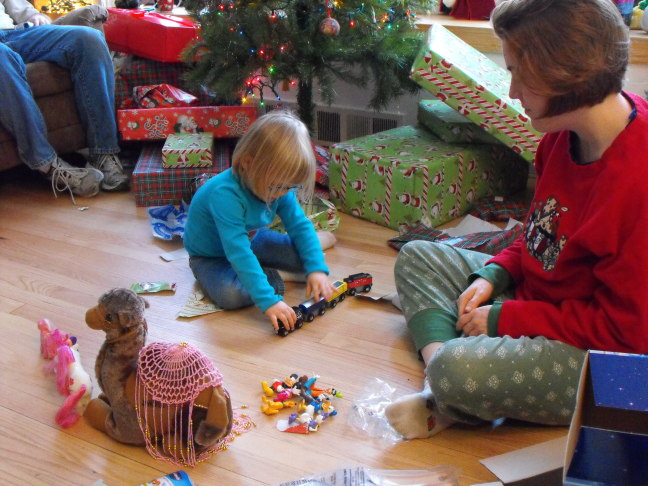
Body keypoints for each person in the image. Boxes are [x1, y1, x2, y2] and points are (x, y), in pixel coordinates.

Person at [385, 0, 648, 440]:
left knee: (457, 366)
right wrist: (495, 272)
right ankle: (446, 387)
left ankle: (448, 387)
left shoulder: (637, 186)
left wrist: (507, 319)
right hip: (541, 303)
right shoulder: (559, 140)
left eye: (517, 75)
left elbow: (624, 337)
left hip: (602, 355)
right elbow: (539, 233)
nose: (511, 93)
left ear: (564, 75)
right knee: (417, 257)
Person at [183, 111, 337, 332]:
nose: (282, 193)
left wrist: (316, 269)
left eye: (289, 187)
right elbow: (238, 252)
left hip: (253, 238)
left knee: (309, 259)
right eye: (277, 187)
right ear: (248, 164)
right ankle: (278, 275)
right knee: (230, 295)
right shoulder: (225, 195)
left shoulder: (280, 187)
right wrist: (270, 301)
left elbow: (299, 224)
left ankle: (312, 246)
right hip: (210, 256)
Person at [0, 0, 129, 201]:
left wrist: (31, 15)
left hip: (12, 33)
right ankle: (46, 163)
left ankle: (103, 152)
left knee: (88, 38)